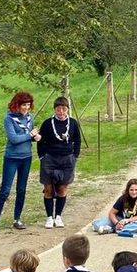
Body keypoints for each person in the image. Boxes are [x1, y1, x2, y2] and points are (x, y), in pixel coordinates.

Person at [0, 91, 40, 232]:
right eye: (23, 105)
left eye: (28, 105)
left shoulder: (30, 117)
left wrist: (35, 137)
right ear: (16, 105)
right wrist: (30, 134)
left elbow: (26, 137)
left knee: (21, 189)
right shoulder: (9, 118)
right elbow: (14, 139)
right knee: (5, 190)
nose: (26, 108)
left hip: (26, 157)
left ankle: (17, 219)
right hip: (12, 158)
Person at [37, 96, 82, 229]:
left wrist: (75, 156)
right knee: (48, 189)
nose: (61, 112)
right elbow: (41, 141)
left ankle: (58, 216)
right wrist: (42, 157)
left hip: (67, 159)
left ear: (67, 109)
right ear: (54, 109)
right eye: (58, 109)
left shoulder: (72, 123)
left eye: (63, 109)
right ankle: (49, 217)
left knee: (62, 189)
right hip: (50, 158)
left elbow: (77, 140)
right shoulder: (47, 123)